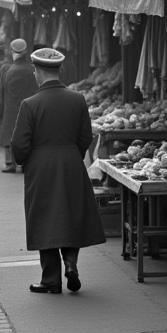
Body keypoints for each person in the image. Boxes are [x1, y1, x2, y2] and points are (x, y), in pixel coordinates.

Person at [11, 47, 105, 295]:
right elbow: (86, 136)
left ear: (37, 72)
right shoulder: (77, 100)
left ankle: (50, 279)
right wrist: (73, 154)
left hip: (41, 167)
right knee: (70, 215)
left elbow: (19, 144)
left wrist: (24, 161)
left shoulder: (30, 104)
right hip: (71, 163)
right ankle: (71, 264)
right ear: (58, 70)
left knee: (45, 218)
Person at [0, 38, 35, 172]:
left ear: (11, 51)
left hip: (10, 109)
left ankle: (10, 163)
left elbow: (0, 93)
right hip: (29, 108)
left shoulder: (6, 70)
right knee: (27, 134)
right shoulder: (32, 70)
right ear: (26, 52)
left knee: (9, 134)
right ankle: (25, 163)